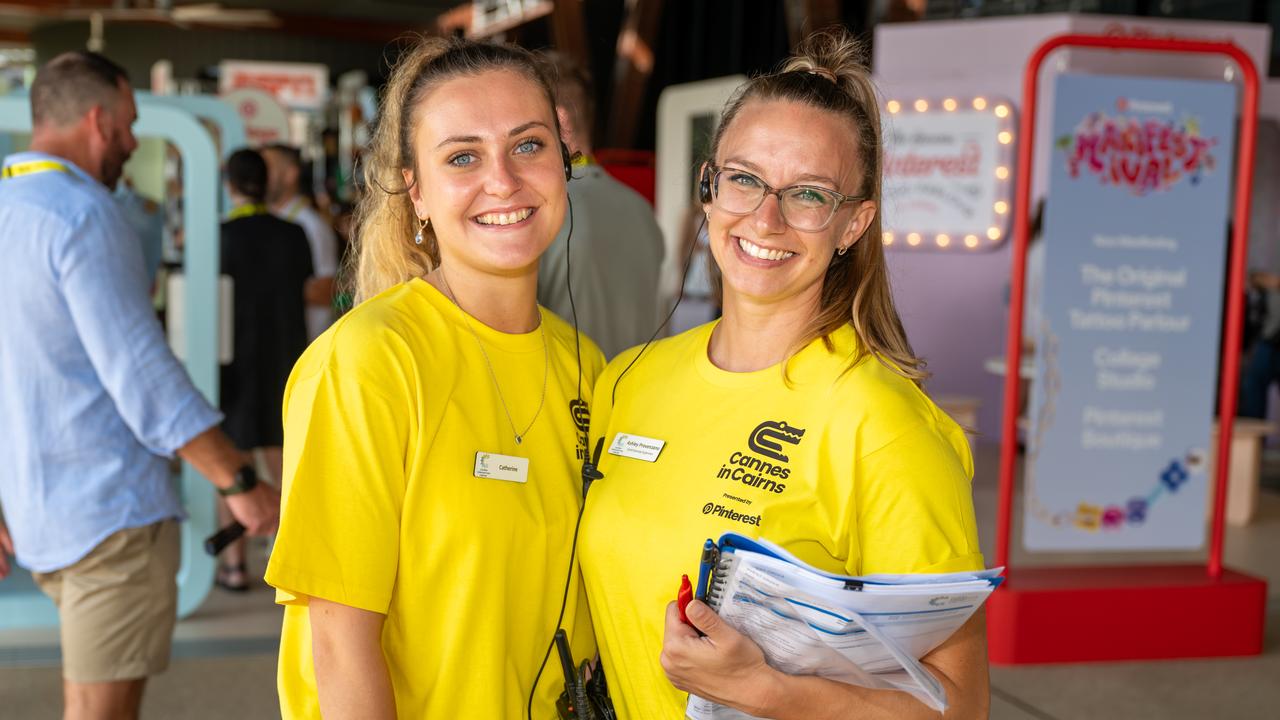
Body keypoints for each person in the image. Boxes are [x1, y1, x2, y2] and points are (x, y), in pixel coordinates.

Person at [579, 30, 989, 719]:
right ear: (709, 188)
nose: (765, 219)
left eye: (808, 194)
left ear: (852, 225)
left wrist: (765, 689)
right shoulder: (629, 380)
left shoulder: (886, 428)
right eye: (745, 180)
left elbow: (961, 708)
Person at [263, 37, 605, 719]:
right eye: (463, 157)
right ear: (415, 190)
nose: (503, 181)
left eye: (529, 145)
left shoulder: (585, 365)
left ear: (566, 165)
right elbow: (338, 645)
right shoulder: (369, 361)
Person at [0, 51, 279, 720]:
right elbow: (145, 379)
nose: (130, 142)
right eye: (126, 126)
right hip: (109, 519)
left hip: (36, 515)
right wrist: (239, 483)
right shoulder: (86, 216)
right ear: (97, 121)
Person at [214, 148, 314, 592]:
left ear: (230, 184)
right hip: (285, 355)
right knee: (282, 456)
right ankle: (284, 562)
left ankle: (233, 566)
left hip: (233, 358)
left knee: (233, 459)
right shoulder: (294, 234)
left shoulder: (221, 236)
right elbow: (309, 289)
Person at [536, 50, 665, 359]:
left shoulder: (541, 212)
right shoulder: (642, 210)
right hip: (633, 396)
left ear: (559, 118)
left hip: (566, 399)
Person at [262, 142, 340, 341]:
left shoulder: (311, 225)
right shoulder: (270, 218)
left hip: (304, 345)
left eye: (267, 168)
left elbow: (327, 290)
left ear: (290, 174)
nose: (260, 174)